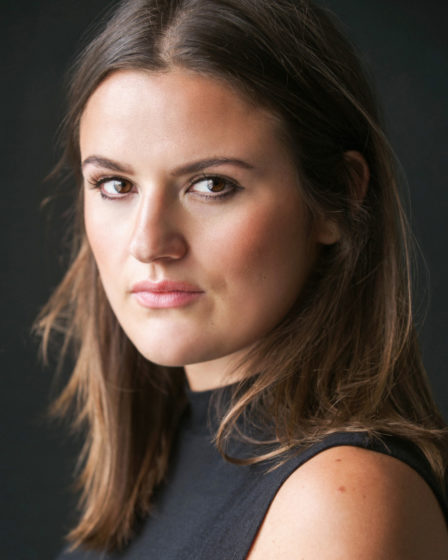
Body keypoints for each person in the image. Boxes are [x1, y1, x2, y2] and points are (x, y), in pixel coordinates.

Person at [38, 0, 448, 558]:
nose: (148, 243)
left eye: (212, 185)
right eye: (115, 184)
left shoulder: (338, 499)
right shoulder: (156, 469)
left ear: (338, 198)